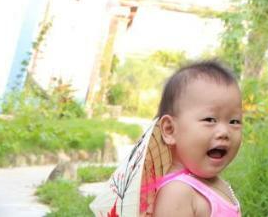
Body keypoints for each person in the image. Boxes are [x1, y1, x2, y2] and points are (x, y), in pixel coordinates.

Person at [92, 59, 243, 217]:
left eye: (234, 121)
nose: (224, 132)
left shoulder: (215, 183)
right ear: (170, 130)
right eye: (210, 120)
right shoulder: (177, 193)